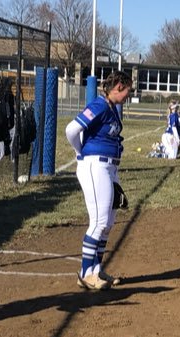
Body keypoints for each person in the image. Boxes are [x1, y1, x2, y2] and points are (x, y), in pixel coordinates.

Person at [65, 71, 133, 290]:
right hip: (95, 166)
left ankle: (96, 271)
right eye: (127, 90)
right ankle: (86, 273)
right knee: (99, 222)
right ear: (118, 87)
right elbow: (72, 129)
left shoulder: (111, 108)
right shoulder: (100, 105)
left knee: (108, 224)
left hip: (110, 168)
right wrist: (79, 152)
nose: (128, 95)